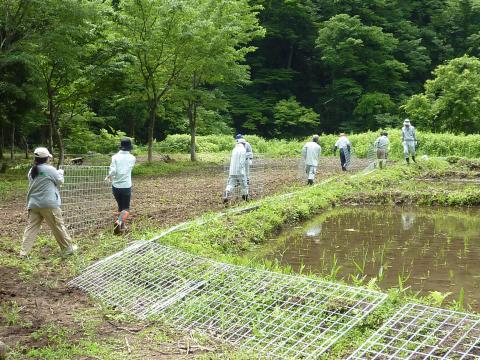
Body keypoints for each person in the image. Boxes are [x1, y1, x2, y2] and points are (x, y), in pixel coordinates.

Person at [20, 147, 77, 257]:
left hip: (33, 204)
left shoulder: (32, 170)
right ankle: (68, 249)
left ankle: (23, 253)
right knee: (58, 226)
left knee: (31, 228)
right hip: (49, 204)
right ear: (47, 158)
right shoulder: (50, 170)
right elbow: (60, 182)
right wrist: (60, 172)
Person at [105, 137, 136, 234]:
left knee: (120, 207)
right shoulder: (132, 158)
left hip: (115, 186)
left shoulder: (114, 157)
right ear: (129, 147)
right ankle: (119, 222)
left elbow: (113, 171)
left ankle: (121, 227)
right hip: (126, 186)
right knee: (126, 209)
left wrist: (109, 176)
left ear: (121, 146)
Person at [223, 137, 249, 203]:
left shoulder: (234, 149)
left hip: (232, 171)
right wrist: (243, 171)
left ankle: (226, 195)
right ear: (243, 144)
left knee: (230, 184)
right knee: (244, 184)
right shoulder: (243, 150)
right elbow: (242, 162)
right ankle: (245, 197)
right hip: (240, 171)